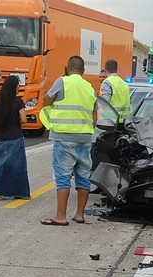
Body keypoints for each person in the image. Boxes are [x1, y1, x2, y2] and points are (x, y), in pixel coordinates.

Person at [39, 55, 98, 226]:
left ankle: (60, 216)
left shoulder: (62, 82)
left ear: (67, 68)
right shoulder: (90, 88)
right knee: (83, 176)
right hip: (85, 138)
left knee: (63, 177)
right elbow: (94, 118)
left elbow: (46, 100)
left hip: (64, 138)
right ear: (83, 71)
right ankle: (80, 215)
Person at [0, 75, 30, 200]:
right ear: (14, 87)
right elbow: (24, 120)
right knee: (17, 166)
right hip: (15, 137)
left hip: (1, 137)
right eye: (18, 85)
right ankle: (19, 192)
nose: (19, 87)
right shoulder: (18, 102)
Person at [100, 59, 131, 123]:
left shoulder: (107, 83)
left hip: (111, 121)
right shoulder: (124, 84)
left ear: (105, 70)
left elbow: (106, 102)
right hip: (124, 121)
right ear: (117, 70)